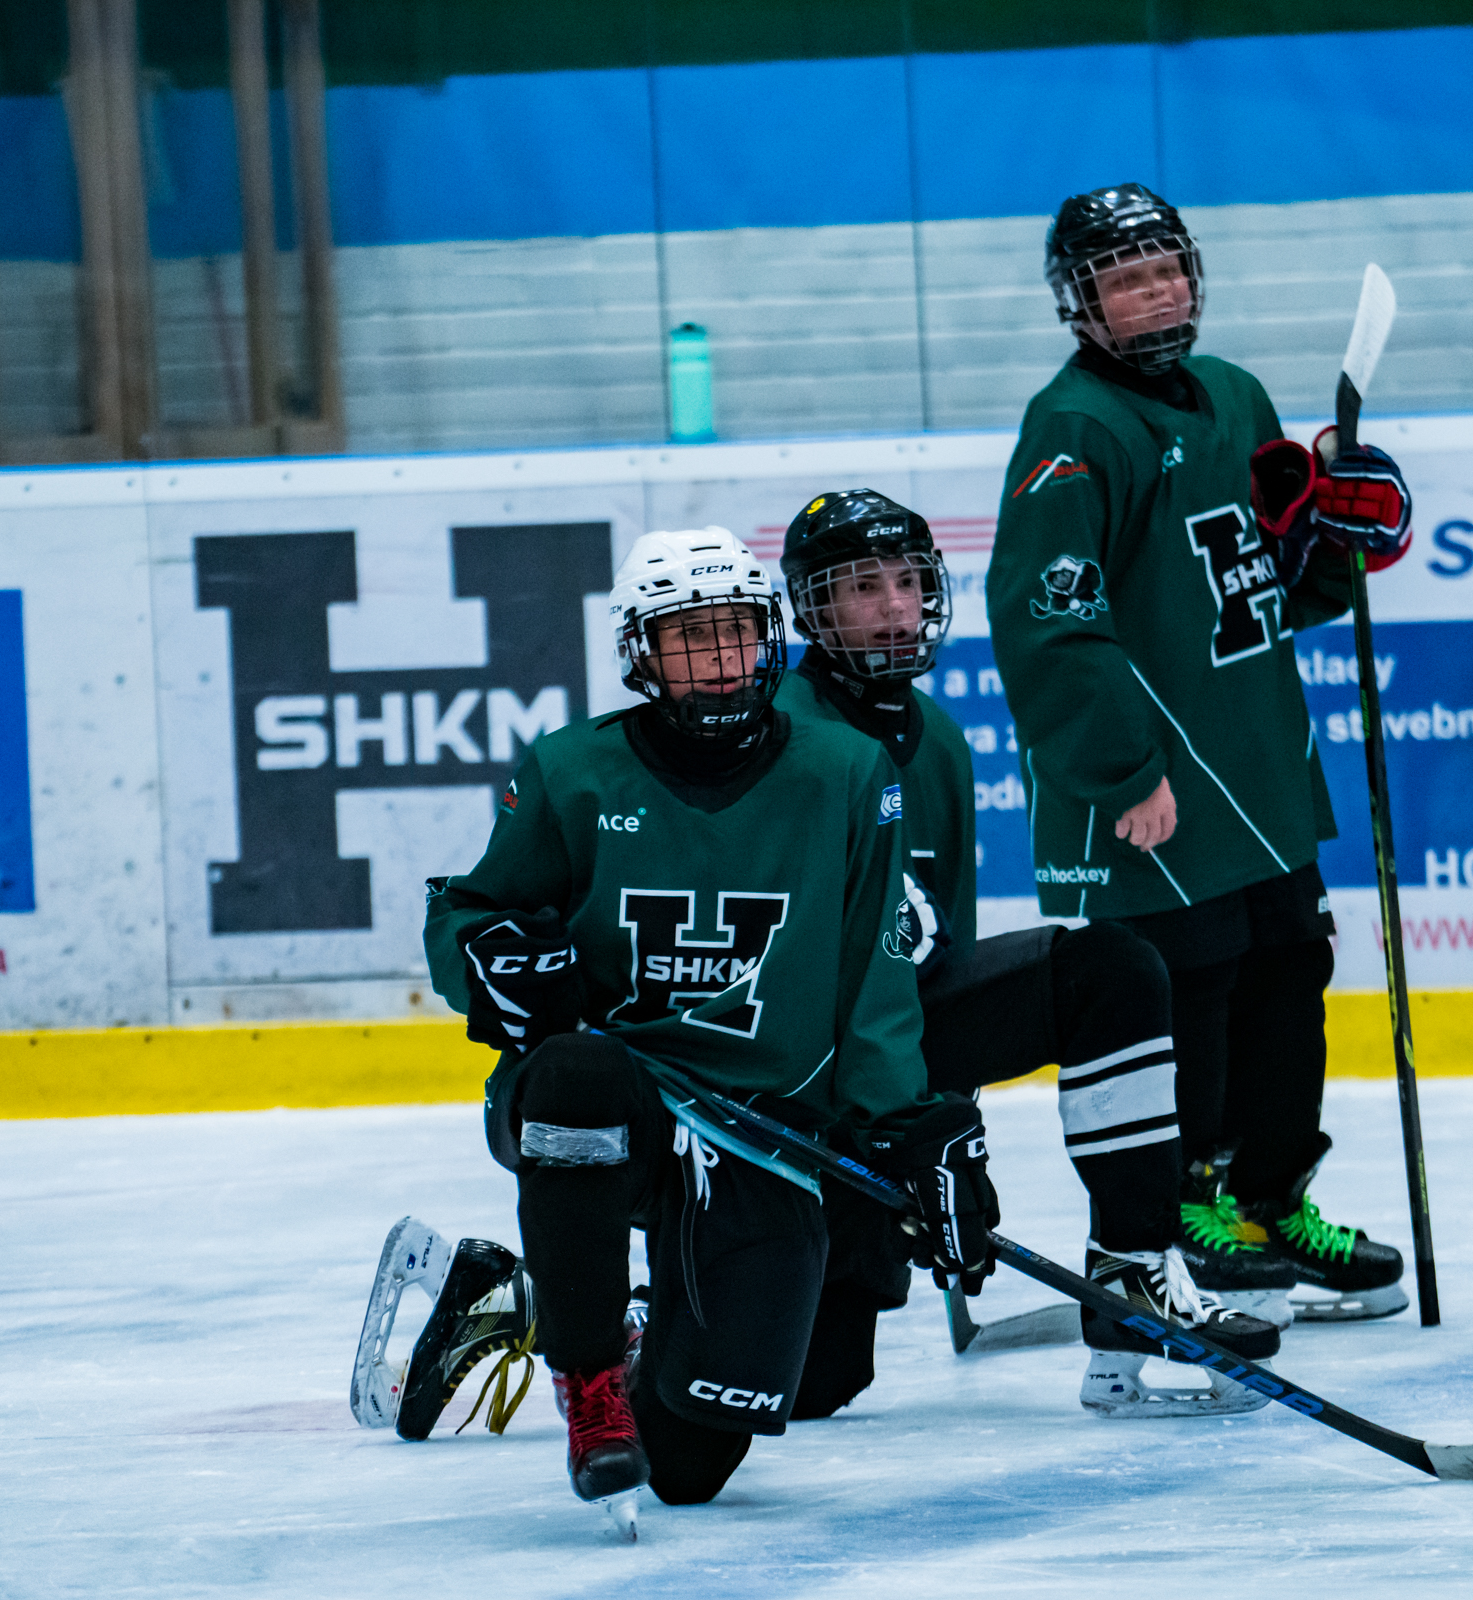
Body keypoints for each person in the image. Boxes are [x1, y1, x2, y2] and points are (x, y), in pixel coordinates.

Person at [417, 527, 999, 1529]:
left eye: (737, 635)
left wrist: (910, 1122)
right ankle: (589, 1373)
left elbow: (874, 967)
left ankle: (532, 1301)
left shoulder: (848, 772)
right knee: (572, 1078)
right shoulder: (572, 772)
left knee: (689, 1459)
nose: (723, 660)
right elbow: (467, 914)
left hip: (764, 1124)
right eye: (692, 640)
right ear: (642, 654)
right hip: (625, 1099)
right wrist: (494, 960)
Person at [984, 183, 1410, 1321]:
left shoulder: (1235, 395)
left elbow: (1267, 576)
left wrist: (1346, 534)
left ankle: (1273, 1199)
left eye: (1165, 269)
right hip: (1155, 788)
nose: (1154, 292)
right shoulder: (1072, 429)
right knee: (1193, 994)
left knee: (1288, 976)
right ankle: (1189, 1203)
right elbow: (1045, 617)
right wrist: (1122, 769)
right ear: (1080, 304)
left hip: (1258, 766)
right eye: (1125, 278)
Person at [774, 487, 1283, 1420]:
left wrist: (940, 1127)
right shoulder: (784, 738)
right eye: (862, 589)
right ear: (810, 606)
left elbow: (938, 955)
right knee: (808, 1382)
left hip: (893, 1050)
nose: (894, 607)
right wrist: (888, 1126)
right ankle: (545, 1304)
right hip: (797, 1081)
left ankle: (1133, 1272)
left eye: (909, 582)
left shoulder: (938, 741)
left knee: (1112, 971)